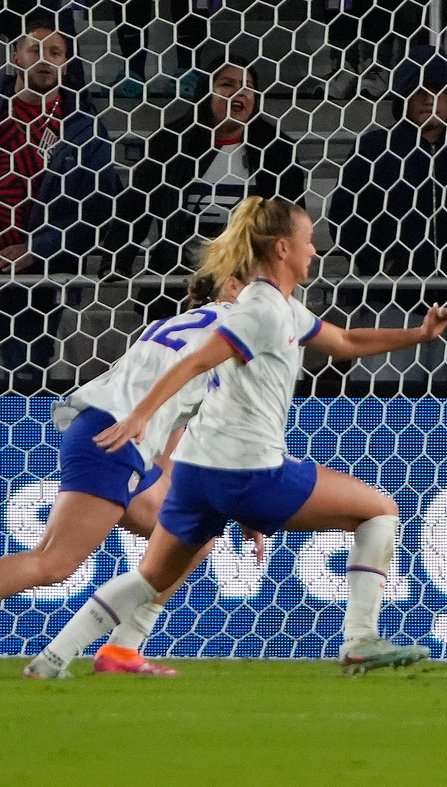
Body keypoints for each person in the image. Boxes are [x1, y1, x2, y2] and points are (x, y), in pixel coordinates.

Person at [23, 196, 447, 679]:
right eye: (309, 241)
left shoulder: (281, 308)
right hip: (249, 468)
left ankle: (54, 659)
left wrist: (419, 334)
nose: (315, 251)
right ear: (282, 248)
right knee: (381, 510)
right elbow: (194, 362)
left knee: (154, 574)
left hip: (198, 471)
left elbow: (345, 342)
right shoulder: (260, 311)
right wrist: (142, 416)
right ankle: (359, 639)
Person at [4, 272, 243, 676]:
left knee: (191, 535)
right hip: (114, 436)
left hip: (111, 432)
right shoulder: (233, 335)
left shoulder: (176, 328)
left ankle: (123, 650)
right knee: (54, 563)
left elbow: (171, 433)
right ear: (234, 286)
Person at [327, 45, 447, 384]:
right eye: (420, 92)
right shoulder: (373, 148)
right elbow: (343, 217)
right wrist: (380, 263)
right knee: (388, 405)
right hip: (391, 302)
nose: (431, 100)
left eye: (441, 92)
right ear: (403, 96)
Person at [114, 56, 306, 315]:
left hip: (248, 288)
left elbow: (292, 221)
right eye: (227, 84)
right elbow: (136, 204)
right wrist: (116, 261)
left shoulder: (277, 150)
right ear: (207, 92)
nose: (239, 92)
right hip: (178, 284)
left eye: (247, 86)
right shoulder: (172, 142)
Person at [0, 13, 121, 385]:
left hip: (41, 277)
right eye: (34, 49)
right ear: (15, 57)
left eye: (55, 52)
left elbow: (101, 207)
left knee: (22, 379)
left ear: (66, 65)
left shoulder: (83, 127)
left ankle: (16, 443)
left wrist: (36, 248)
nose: (44, 58)